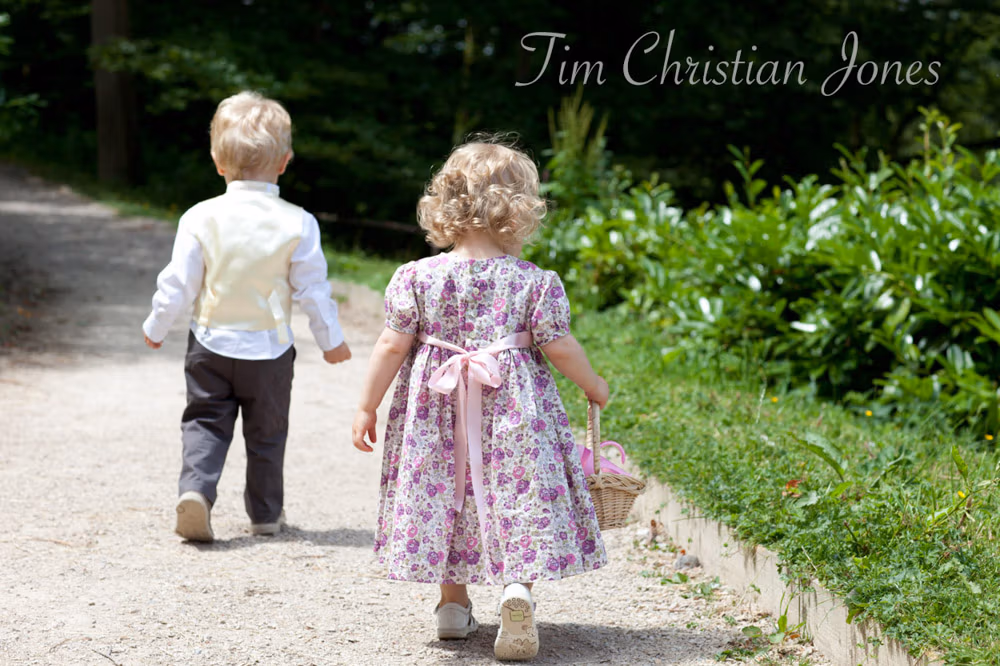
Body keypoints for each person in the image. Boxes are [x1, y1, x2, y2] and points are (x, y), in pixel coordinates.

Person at [351, 138, 609, 661]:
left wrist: (366, 405)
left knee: (448, 491)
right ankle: (518, 590)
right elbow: (558, 345)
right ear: (519, 211)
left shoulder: (416, 277)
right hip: (514, 413)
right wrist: (591, 384)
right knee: (516, 494)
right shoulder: (534, 282)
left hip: (434, 414)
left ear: (446, 204)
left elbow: (391, 344)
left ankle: (451, 606)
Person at [143, 91, 351, 543]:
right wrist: (331, 341)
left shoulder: (199, 217)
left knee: (204, 422)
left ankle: (196, 492)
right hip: (270, 349)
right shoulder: (299, 222)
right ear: (285, 161)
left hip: (210, 343)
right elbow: (313, 290)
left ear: (218, 161)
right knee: (267, 434)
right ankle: (264, 515)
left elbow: (178, 283)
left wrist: (156, 326)